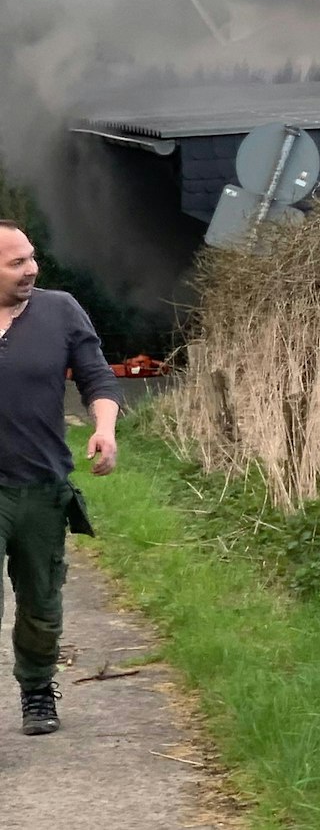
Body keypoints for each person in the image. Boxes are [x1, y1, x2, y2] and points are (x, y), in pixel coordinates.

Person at [0, 219, 118, 736]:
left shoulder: (59, 310)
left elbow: (96, 376)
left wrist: (105, 428)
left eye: (31, 258)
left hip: (39, 485)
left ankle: (37, 689)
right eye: (16, 262)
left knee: (41, 604)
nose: (31, 268)